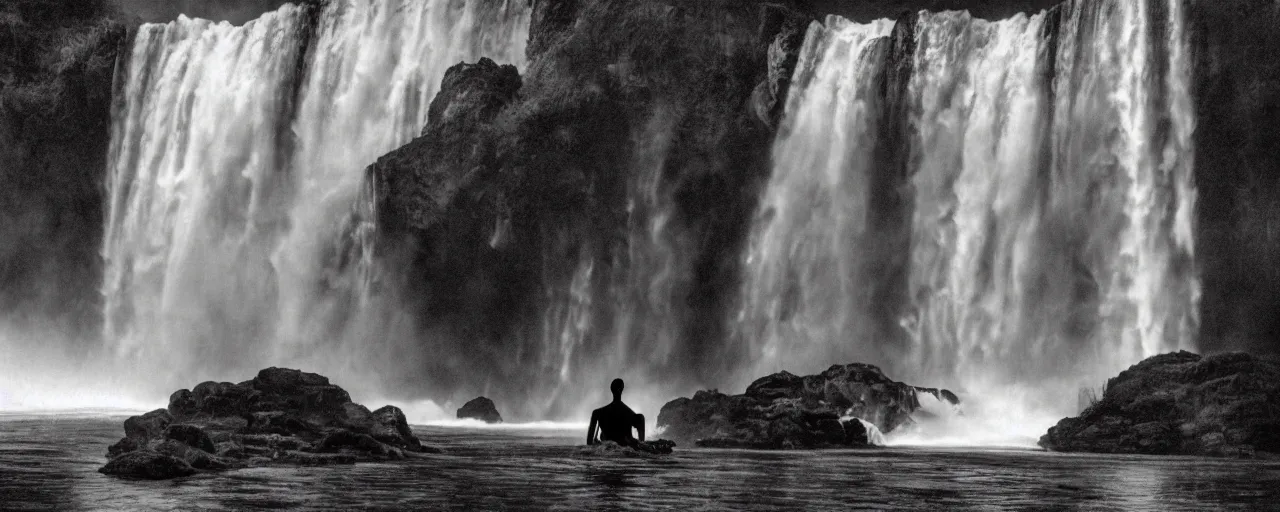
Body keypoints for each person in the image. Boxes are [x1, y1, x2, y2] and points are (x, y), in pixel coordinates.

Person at [586, 378, 645, 447]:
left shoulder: (597, 413)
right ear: (622, 389)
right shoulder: (634, 415)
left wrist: (597, 443)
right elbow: (642, 444)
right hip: (626, 449)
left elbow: (589, 444)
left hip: (606, 449)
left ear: (611, 390)